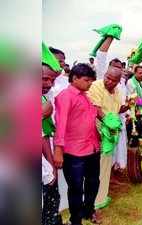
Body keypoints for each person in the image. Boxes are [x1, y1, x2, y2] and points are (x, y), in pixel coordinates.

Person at [53, 63, 101, 225]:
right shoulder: (65, 96)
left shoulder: (84, 96)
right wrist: (58, 151)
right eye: (87, 80)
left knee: (93, 183)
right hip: (74, 153)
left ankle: (89, 210)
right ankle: (75, 220)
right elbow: (61, 124)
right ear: (74, 78)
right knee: (75, 188)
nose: (90, 84)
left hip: (92, 148)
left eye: (91, 81)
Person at [87, 64, 129, 213]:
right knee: (96, 166)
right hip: (97, 128)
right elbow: (96, 109)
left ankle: (102, 197)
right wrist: (107, 122)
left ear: (119, 82)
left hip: (110, 131)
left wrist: (127, 106)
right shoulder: (96, 86)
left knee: (106, 164)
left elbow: (117, 110)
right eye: (107, 77)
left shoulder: (117, 91)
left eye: (113, 80)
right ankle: (95, 200)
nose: (108, 82)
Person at [42, 52, 63, 225]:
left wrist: (51, 166)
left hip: (44, 168)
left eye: (51, 80)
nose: (48, 84)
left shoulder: (42, 99)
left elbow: (42, 136)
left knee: (51, 201)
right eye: (44, 79)